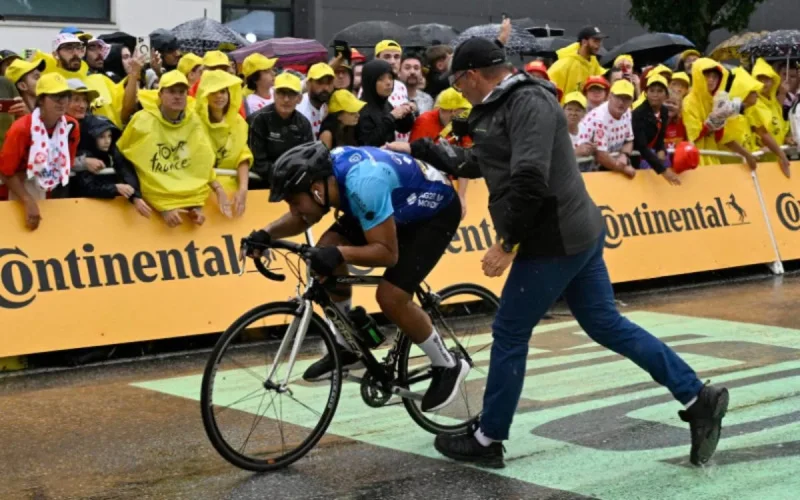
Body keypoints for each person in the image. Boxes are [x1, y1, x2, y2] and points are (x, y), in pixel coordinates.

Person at [397, 36, 729, 470]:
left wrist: (506, 244)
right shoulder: (506, 103)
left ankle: (489, 436)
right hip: (577, 231)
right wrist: (420, 149)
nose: (461, 94)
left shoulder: (526, 104)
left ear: (472, 75)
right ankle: (695, 395)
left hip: (552, 238)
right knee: (607, 324)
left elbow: (531, 179)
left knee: (510, 332)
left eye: (460, 85)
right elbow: (482, 159)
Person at [246, 141, 468, 413]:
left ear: (315, 189)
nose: (293, 209)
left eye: (294, 201)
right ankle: (347, 347)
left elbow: (387, 255)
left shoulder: (364, 184)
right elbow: (305, 218)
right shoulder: (327, 182)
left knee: (391, 296)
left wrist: (341, 254)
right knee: (325, 253)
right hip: (390, 202)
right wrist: (266, 234)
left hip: (434, 212)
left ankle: (448, 364)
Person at [115, 70, 229, 227]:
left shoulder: (194, 121)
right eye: (171, 91)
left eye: (182, 92)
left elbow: (201, 161)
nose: (177, 96)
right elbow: (122, 157)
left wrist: (214, 192)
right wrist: (142, 199)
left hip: (194, 201)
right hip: (153, 204)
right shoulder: (142, 120)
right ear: (160, 94)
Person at [0, 74, 80, 229]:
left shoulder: (72, 127)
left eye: (65, 96)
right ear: (41, 100)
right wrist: (28, 201)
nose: (62, 101)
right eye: (55, 96)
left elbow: (66, 165)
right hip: (13, 190)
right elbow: (6, 172)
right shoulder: (21, 128)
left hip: (48, 187)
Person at [196, 70, 253, 215]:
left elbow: (243, 156)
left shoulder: (239, 122)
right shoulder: (193, 123)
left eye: (223, 91)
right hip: (199, 192)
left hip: (232, 192)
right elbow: (195, 162)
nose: (219, 96)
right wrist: (218, 189)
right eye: (213, 92)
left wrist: (243, 189)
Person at [682, 58, 753, 167]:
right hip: (696, 160)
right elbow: (693, 134)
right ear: (698, 76)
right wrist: (713, 121)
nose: (711, 80)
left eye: (715, 77)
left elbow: (722, 137)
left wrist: (746, 155)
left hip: (712, 157)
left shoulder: (716, 101)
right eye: (707, 76)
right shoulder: (689, 102)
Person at [247, 72, 313, 188]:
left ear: (299, 99)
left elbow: (307, 159)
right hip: (261, 184)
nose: (286, 99)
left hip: (293, 185)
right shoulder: (258, 120)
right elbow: (257, 162)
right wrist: (284, 174)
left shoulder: (304, 124)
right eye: (281, 93)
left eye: (291, 94)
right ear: (274, 95)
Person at [576, 80, 636, 175]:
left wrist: (625, 155)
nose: (621, 102)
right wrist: (624, 169)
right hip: (583, 167)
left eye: (626, 98)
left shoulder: (627, 112)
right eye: (618, 97)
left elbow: (629, 140)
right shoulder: (599, 118)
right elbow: (601, 156)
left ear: (631, 101)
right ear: (610, 96)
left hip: (605, 165)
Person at [71, 114, 133, 199]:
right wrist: (115, 188)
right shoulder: (85, 155)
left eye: (109, 136)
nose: (107, 141)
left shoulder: (111, 154)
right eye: (101, 137)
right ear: (91, 138)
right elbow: (88, 188)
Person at [746, 60, 792, 176]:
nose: (763, 84)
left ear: (773, 81)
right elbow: (763, 134)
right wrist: (781, 154)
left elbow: (780, 127)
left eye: (767, 79)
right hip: (762, 162)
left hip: (776, 161)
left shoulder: (774, 104)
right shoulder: (753, 104)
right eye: (759, 79)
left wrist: (787, 138)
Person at [632, 75, 681, 183]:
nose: (655, 95)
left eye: (659, 91)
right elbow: (642, 147)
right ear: (646, 93)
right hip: (636, 161)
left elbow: (660, 138)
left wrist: (661, 149)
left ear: (666, 95)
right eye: (652, 90)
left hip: (652, 158)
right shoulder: (638, 114)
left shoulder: (664, 111)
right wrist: (663, 171)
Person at [356, 59, 414, 147]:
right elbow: (368, 142)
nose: (388, 83)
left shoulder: (385, 104)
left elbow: (403, 128)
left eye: (390, 78)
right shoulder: (361, 109)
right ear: (370, 82)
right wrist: (391, 117)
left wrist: (407, 113)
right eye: (381, 79)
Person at [548, 26, 608, 99]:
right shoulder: (564, 64)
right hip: (566, 109)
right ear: (584, 42)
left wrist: (617, 69)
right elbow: (548, 88)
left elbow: (604, 76)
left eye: (600, 41)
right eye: (595, 41)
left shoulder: (592, 62)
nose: (599, 45)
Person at [297, 62, 335, 138]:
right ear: (308, 84)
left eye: (329, 83)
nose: (326, 88)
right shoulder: (300, 112)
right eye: (320, 82)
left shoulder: (323, 106)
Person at [563, 91, 591, 156]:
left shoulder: (585, 128)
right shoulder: (557, 131)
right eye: (569, 109)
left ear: (584, 113)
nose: (573, 113)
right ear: (563, 110)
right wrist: (575, 152)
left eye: (577, 110)